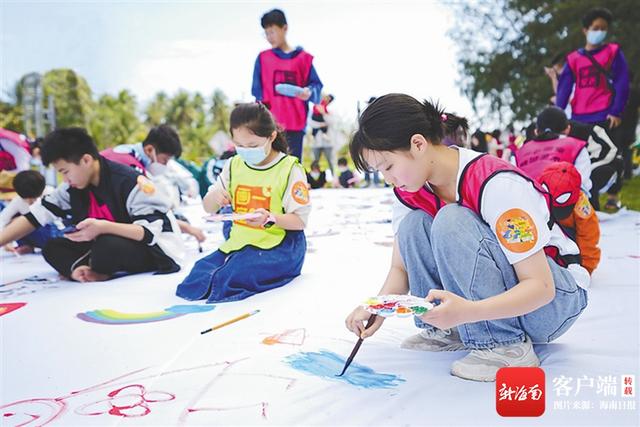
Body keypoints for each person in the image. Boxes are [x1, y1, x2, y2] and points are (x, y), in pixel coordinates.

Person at [345, 94, 588, 382]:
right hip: (506, 300)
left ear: (418, 144)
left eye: (388, 167)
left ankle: (503, 345)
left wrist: (469, 311)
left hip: (552, 304)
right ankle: (447, 328)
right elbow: (401, 268)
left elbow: (542, 287)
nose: (388, 179)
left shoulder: (495, 183)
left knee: (451, 218)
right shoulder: (410, 190)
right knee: (414, 225)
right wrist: (376, 307)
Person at [0, 128, 184, 282]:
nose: (65, 179)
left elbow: (148, 233)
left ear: (86, 160)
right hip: (104, 245)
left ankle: (98, 268)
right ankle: (83, 271)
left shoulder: (130, 181)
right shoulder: (72, 186)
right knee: (52, 247)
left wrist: (102, 227)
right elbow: (35, 216)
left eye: (65, 171)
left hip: (153, 249)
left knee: (106, 245)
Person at [176, 103, 310, 303]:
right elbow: (208, 207)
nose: (246, 151)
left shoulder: (289, 168)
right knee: (199, 275)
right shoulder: (233, 165)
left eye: (253, 146)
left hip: (279, 245)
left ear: (271, 137)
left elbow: (299, 221)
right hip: (239, 241)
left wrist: (270, 218)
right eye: (239, 145)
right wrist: (217, 196)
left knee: (235, 274)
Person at [555, 7, 630, 211]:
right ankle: (587, 199)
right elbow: (563, 89)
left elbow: (623, 82)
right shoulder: (573, 59)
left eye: (604, 28)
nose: (600, 31)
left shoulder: (613, 52)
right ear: (585, 30)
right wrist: (557, 116)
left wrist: (616, 111)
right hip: (579, 117)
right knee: (583, 157)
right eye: (596, 27)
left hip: (605, 114)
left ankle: (613, 195)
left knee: (613, 155)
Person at [101, 125, 204, 243]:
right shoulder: (134, 170)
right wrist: (186, 227)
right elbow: (151, 216)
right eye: (164, 160)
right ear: (149, 150)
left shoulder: (123, 152)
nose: (165, 166)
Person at [251, 8, 323, 161]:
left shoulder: (303, 59)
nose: (269, 37)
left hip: (296, 125)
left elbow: (317, 87)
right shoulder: (263, 59)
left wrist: (308, 92)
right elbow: (258, 94)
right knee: (270, 168)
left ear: (284, 28)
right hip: (271, 127)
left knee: (293, 168)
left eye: (273, 31)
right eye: (266, 33)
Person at [538, 162, 601, 275]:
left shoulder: (581, 206)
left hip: (569, 243)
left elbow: (589, 237)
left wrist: (585, 269)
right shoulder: (534, 196)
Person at [515, 106, 592, 194]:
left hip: (527, 203)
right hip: (562, 203)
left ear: (536, 131)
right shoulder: (577, 146)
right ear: (568, 129)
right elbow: (583, 184)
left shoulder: (520, 152)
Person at [0, 170, 62, 254]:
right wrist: (6, 241)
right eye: (26, 199)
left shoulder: (52, 194)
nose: (30, 202)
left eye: (34, 198)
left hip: (53, 232)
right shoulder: (18, 200)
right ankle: (26, 245)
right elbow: (3, 219)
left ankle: (53, 246)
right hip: (35, 235)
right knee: (15, 221)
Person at [310, 94, 335, 173]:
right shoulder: (316, 106)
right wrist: (322, 124)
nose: (328, 101)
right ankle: (314, 179)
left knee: (330, 161)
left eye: (330, 100)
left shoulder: (328, 111)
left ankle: (335, 180)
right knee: (315, 161)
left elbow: (331, 122)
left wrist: (323, 113)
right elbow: (311, 123)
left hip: (327, 143)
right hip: (316, 142)